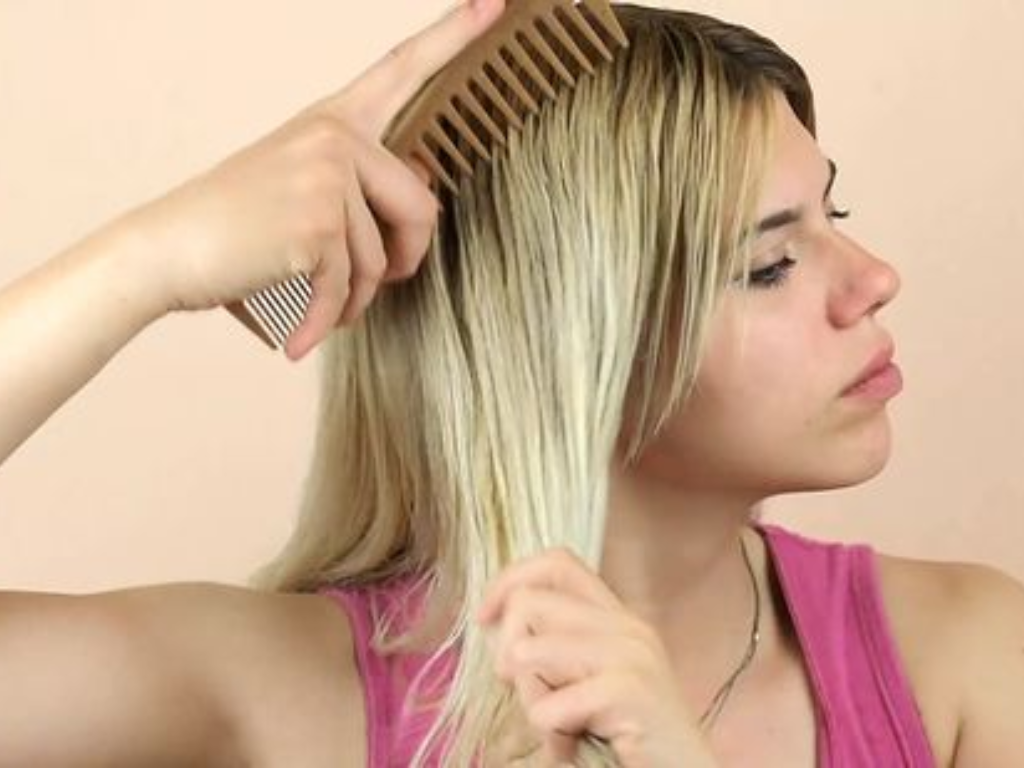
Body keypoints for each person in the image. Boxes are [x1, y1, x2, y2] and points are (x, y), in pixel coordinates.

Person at [0, 0, 1021, 765]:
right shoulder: (281, 695)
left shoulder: (967, 660)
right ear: (569, 347)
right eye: (767, 264)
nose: (875, 282)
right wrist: (144, 262)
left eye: (830, 218)